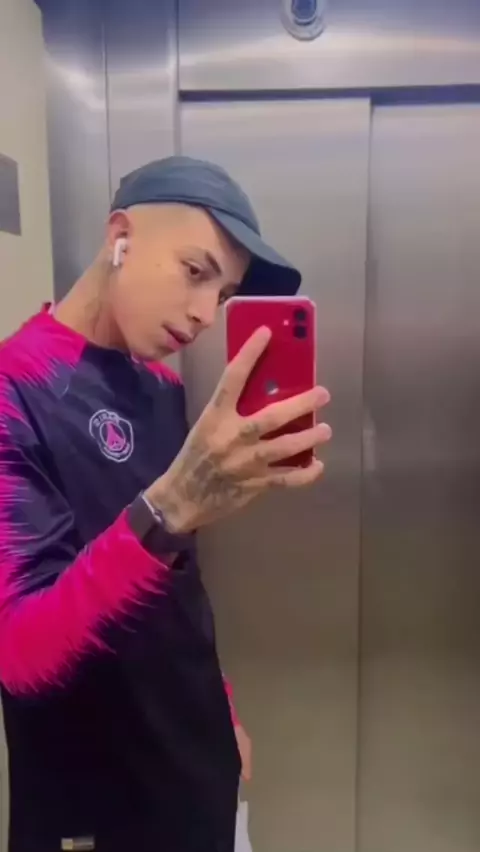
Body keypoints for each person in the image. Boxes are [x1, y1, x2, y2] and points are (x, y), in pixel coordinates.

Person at [0, 156, 331, 852]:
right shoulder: (15, 388)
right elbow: (21, 657)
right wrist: (173, 504)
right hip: (96, 805)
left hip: (199, 772)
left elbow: (178, 584)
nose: (206, 313)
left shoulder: (161, 388)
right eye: (195, 270)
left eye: (225, 292)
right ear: (121, 236)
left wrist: (220, 705)